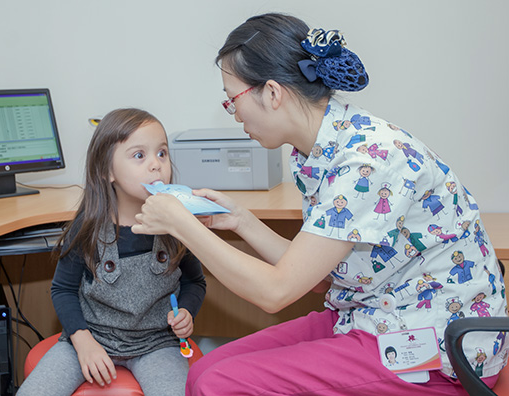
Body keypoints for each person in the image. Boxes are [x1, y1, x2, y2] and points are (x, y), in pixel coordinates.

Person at [131, 13, 507, 395]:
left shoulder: (365, 162)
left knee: (218, 383)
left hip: (434, 347)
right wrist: (242, 220)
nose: (235, 114)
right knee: (205, 369)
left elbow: (275, 292)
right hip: (373, 314)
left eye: (233, 101)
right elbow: (319, 277)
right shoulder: (318, 151)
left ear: (273, 93)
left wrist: (182, 225)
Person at [17, 108, 206, 396]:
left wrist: (187, 312)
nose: (156, 165)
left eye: (162, 153)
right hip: (90, 337)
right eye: (139, 155)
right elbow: (63, 290)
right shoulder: (88, 226)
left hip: (156, 343)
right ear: (107, 171)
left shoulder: (177, 224)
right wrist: (83, 342)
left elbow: (195, 282)